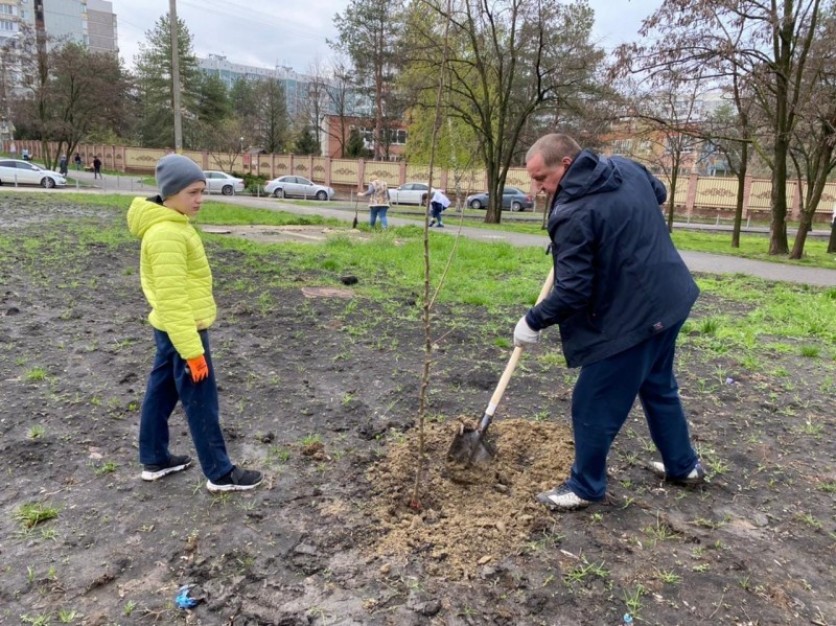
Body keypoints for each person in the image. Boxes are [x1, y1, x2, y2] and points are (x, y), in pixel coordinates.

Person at [515, 133, 703, 512]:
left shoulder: (573, 214)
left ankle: (585, 486)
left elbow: (573, 291)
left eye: (541, 178)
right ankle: (683, 466)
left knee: (593, 401)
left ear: (566, 164)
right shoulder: (623, 167)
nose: (537, 189)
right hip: (671, 296)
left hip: (634, 316)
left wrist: (533, 320)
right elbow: (659, 191)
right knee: (657, 384)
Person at [127, 154, 263, 493]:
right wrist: (192, 351)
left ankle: (155, 458)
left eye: (202, 191)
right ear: (170, 193)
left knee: (160, 393)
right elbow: (172, 299)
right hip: (184, 330)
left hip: (170, 329)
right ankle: (220, 473)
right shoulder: (167, 235)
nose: (200, 199)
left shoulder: (172, 225)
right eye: (192, 192)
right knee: (201, 401)